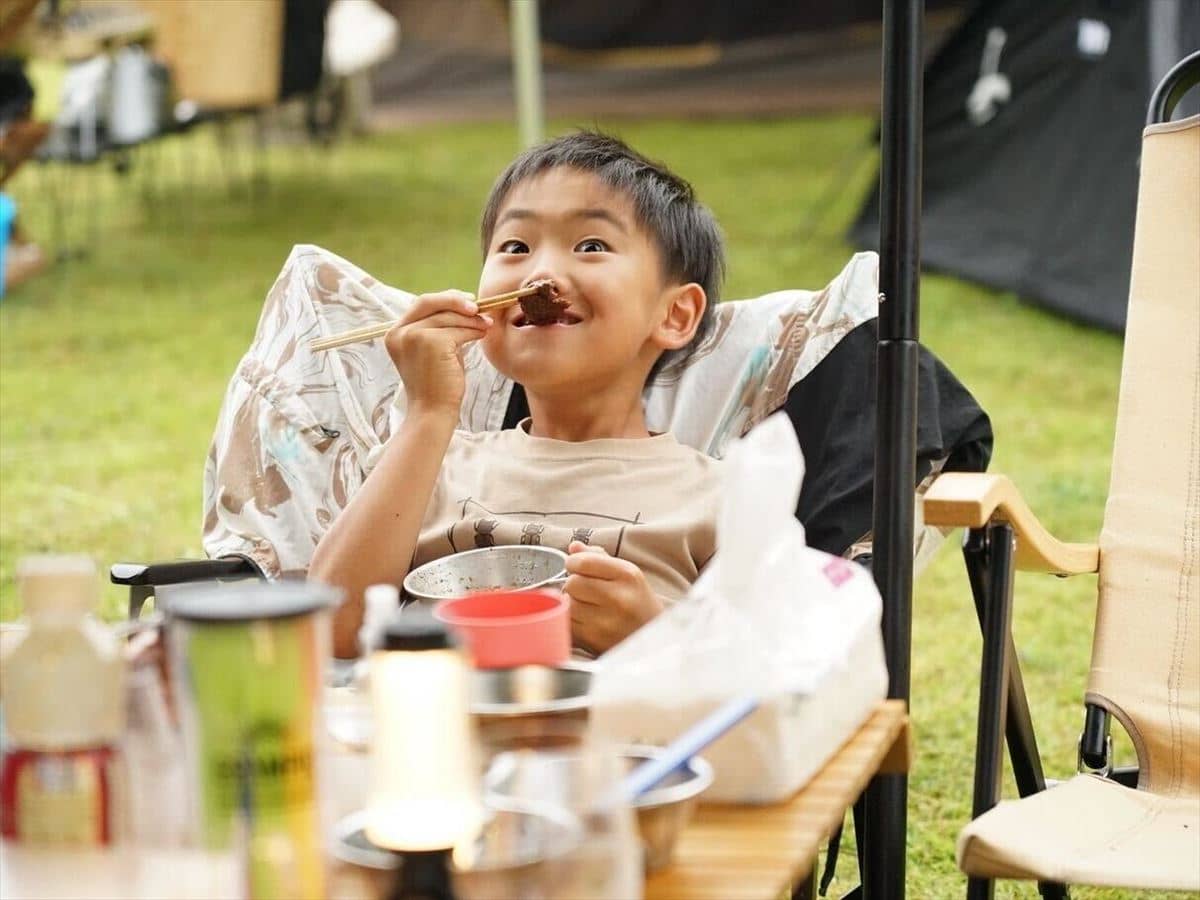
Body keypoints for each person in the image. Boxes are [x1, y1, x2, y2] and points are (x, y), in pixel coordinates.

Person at [310, 131, 726, 658]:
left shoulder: (720, 496)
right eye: (516, 247)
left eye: (591, 246)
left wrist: (654, 635)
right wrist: (428, 414)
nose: (541, 273)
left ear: (675, 314)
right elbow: (328, 636)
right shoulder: (430, 465)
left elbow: (771, 685)